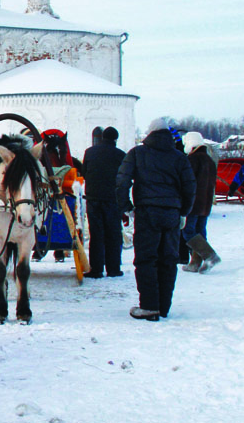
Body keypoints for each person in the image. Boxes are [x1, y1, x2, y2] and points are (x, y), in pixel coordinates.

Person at [116, 117, 196, 321]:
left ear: (149, 133)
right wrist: (183, 212)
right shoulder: (179, 157)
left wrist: (127, 208)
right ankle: (163, 306)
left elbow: (122, 182)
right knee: (168, 259)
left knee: (146, 259)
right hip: (171, 213)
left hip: (147, 212)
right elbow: (190, 186)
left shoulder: (137, 153)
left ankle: (149, 306)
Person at [82, 126, 126, 278]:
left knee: (96, 234)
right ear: (115, 139)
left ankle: (96, 269)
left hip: (93, 198)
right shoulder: (120, 155)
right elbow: (123, 178)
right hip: (113, 200)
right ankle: (113, 268)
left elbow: (84, 172)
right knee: (113, 234)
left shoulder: (90, 152)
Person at [181, 131, 220, 272]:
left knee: (188, 231)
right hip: (206, 203)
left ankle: (209, 255)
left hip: (193, 203)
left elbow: (187, 183)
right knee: (200, 231)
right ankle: (195, 262)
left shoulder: (192, 160)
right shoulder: (209, 160)